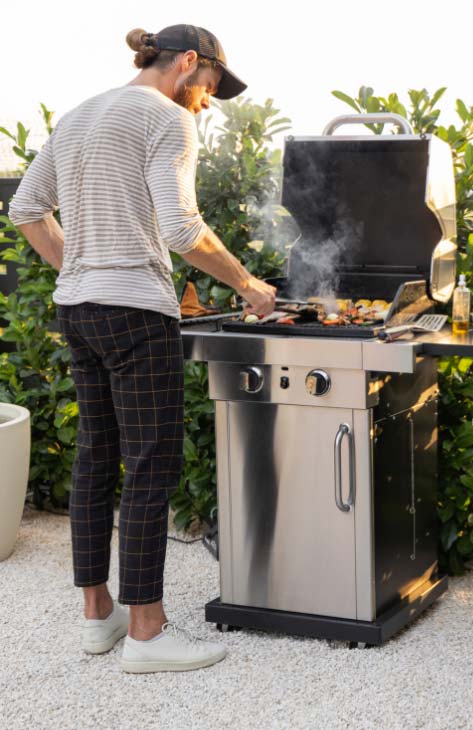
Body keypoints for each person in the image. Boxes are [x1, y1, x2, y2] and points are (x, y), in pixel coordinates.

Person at [8, 24, 276, 673]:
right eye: (210, 86)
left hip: (78, 309)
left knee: (96, 457)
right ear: (188, 64)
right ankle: (149, 634)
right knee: (151, 463)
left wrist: (83, 266)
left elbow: (24, 206)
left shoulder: (77, 116)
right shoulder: (167, 118)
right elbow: (182, 227)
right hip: (135, 313)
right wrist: (247, 283)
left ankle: (99, 617)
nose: (207, 102)